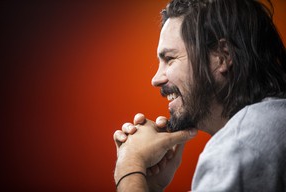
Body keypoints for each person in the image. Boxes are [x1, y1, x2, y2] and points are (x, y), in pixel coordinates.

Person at [113, 0, 286, 191]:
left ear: (222, 56)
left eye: (170, 59)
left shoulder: (239, 147)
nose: (155, 79)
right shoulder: (273, 123)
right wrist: (149, 185)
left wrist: (129, 167)